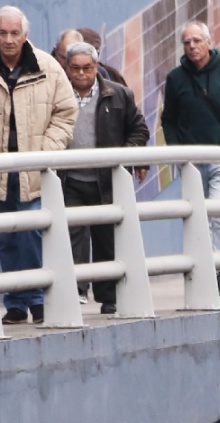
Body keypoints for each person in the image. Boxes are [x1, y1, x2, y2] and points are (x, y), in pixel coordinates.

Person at [0, 6, 78, 325]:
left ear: (25, 35)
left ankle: (36, 298)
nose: (9, 40)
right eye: (3, 33)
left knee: (32, 232)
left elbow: (66, 112)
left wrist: (46, 150)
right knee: (5, 238)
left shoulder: (48, 68)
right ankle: (16, 302)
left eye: (15, 33)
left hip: (33, 169)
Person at [160, 20, 220, 297]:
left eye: (197, 40)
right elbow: (169, 120)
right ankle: (203, 269)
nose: (192, 46)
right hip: (191, 161)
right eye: (187, 42)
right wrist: (178, 152)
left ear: (209, 43)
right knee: (197, 217)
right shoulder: (176, 78)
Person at [60, 40, 149, 314]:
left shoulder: (118, 94)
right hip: (69, 179)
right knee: (71, 235)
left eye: (87, 67)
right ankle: (74, 291)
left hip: (105, 180)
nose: (81, 73)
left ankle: (109, 297)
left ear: (96, 66)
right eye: (75, 68)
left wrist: (125, 155)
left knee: (107, 238)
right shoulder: (57, 94)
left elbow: (140, 130)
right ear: (67, 67)